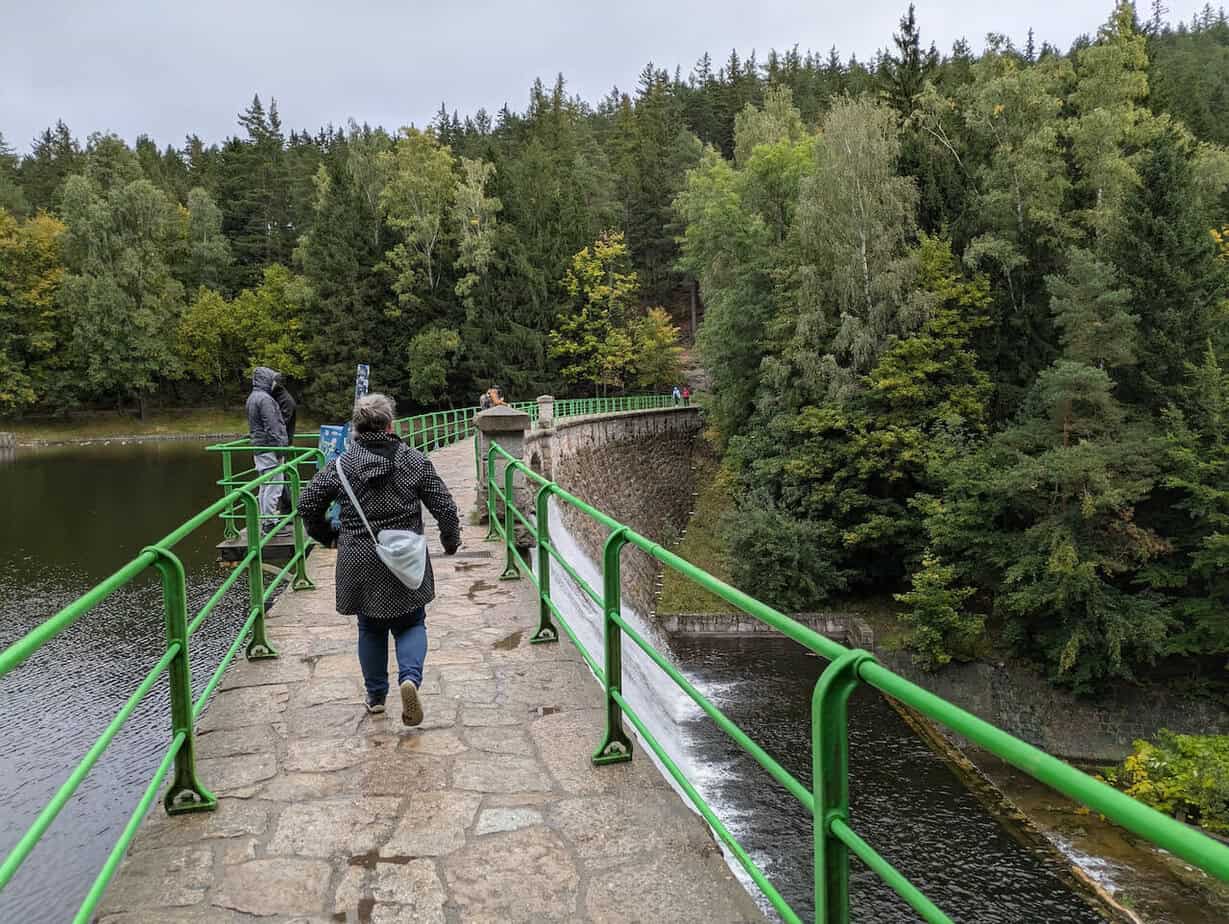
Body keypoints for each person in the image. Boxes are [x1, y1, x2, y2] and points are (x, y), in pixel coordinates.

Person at [298, 393, 461, 725]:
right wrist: (450, 541)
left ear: (355, 428)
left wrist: (327, 535)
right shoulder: (413, 460)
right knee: (411, 622)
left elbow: (308, 502)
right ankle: (409, 680)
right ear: (390, 424)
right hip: (405, 559)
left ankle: (375, 698)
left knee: (370, 629)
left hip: (359, 559)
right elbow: (444, 506)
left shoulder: (341, 465)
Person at [245, 366, 288, 532]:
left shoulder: (252, 398)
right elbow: (273, 427)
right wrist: (280, 451)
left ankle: (265, 520)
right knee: (275, 485)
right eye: (273, 380)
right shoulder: (265, 400)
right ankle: (269, 522)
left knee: (265, 485)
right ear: (267, 380)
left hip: (259, 447)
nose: (275, 384)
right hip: (269, 448)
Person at [272, 374, 298, 514]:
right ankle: (287, 506)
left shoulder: (285, 400)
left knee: (281, 475)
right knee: (281, 474)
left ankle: (287, 507)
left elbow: (282, 422)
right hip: (282, 441)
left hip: (282, 442)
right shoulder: (280, 398)